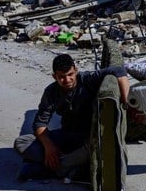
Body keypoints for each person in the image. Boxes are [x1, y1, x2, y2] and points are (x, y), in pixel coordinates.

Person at [13, 53, 130, 182]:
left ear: (76, 71)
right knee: (22, 142)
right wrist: (49, 147)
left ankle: (56, 168)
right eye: (62, 77)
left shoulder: (87, 79)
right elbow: (40, 123)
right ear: (54, 77)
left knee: (96, 149)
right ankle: (67, 166)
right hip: (67, 136)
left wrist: (125, 101)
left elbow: (119, 70)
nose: (67, 80)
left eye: (70, 75)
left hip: (88, 139)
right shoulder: (51, 92)